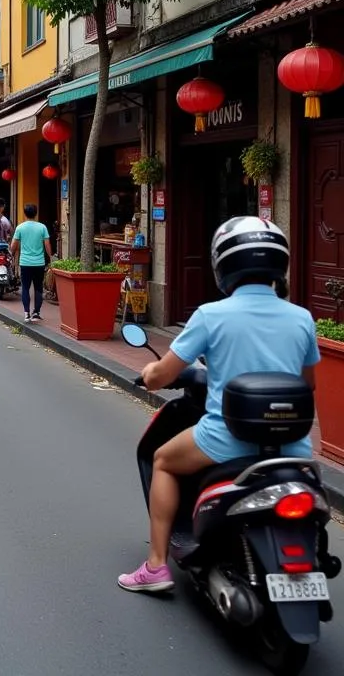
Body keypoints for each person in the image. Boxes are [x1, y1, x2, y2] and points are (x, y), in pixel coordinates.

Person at [118, 217, 319, 594]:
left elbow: (163, 375)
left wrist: (148, 372)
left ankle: (157, 565)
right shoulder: (302, 319)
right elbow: (307, 385)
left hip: (225, 438)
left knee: (162, 459)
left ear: (223, 265)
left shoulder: (211, 315)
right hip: (292, 448)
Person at [10, 203, 52, 322]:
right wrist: (51, 257)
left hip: (25, 263)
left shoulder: (20, 228)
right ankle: (37, 312)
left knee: (25, 288)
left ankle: (26, 313)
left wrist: (11, 255)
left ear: (24, 214)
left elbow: (14, 245)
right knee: (38, 288)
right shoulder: (42, 227)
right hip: (39, 263)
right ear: (36, 213)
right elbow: (47, 244)